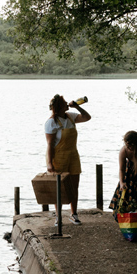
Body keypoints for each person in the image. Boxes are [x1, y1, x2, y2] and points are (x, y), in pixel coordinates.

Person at [44, 94, 91, 224]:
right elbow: (49, 145)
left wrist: (77, 107)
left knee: (74, 186)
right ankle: (58, 217)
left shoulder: (71, 117)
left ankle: (74, 214)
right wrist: (49, 163)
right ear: (59, 107)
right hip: (58, 156)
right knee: (58, 187)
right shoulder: (51, 122)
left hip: (73, 155)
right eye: (64, 103)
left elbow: (87, 117)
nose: (67, 104)